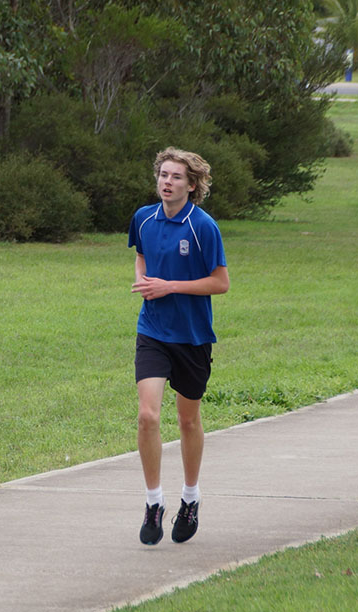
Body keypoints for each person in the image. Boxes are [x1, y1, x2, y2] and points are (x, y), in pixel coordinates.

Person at [127, 147, 229, 546]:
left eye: (175, 177)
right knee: (148, 416)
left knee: (187, 420)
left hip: (192, 336)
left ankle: (190, 497)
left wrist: (169, 286)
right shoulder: (143, 218)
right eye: (163, 175)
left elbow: (220, 283)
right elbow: (141, 256)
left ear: (192, 185)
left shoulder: (203, 227)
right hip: (152, 331)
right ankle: (154, 503)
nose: (167, 182)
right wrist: (144, 280)